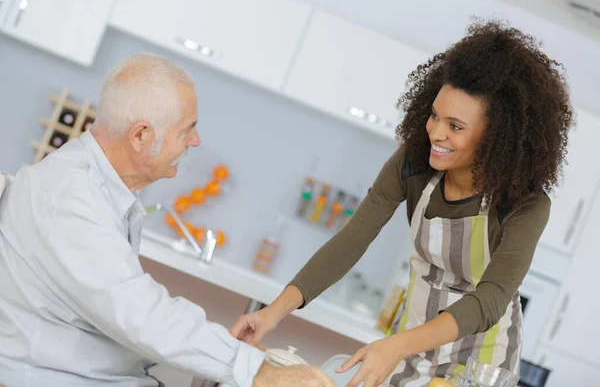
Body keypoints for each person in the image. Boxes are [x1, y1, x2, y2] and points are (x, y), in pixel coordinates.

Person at [231, 20, 574, 387]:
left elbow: (492, 298)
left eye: (455, 126)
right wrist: (274, 311)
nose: (436, 133)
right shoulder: (413, 164)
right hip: (410, 337)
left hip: (481, 359)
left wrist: (397, 346)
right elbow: (353, 239)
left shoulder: (523, 204)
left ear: (497, 136)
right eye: (434, 115)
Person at [0, 53, 334, 387]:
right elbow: (140, 313)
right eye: (186, 130)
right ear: (141, 135)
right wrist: (260, 372)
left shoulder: (96, 188)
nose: (195, 141)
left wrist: (237, 357)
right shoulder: (71, 198)